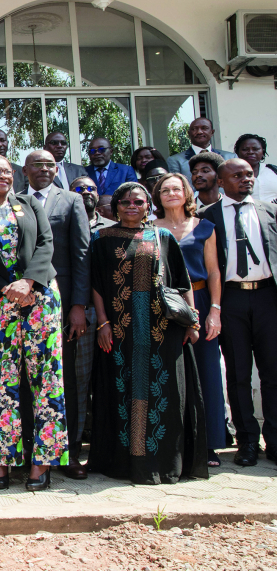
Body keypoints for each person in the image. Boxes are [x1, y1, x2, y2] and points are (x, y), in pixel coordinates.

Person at [0, 154, 67, 492]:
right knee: (3, 384)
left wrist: (29, 282)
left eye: (7, 171)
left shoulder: (29, 205)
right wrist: (4, 288)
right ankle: (3, 458)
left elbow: (47, 244)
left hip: (40, 299)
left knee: (46, 379)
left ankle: (41, 461)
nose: (3, 176)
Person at [89, 182, 208, 484]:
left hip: (163, 331)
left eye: (139, 201)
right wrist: (103, 323)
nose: (132, 206)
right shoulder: (102, 239)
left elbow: (182, 282)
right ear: (115, 206)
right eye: (126, 201)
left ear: (147, 206)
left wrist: (192, 322)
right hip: (120, 332)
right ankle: (126, 465)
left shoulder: (162, 236)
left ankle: (165, 463)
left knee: (165, 394)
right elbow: (98, 286)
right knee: (122, 392)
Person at [199, 158, 277, 466]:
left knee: (272, 374)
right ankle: (247, 442)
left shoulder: (270, 211)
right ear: (220, 181)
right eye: (238, 175)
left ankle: (275, 440)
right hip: (230, 301)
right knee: (238, 373)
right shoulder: (207, 217)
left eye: (249, 174)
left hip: (268, 297)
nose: (246, 179)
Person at [22, 150, 91, 479]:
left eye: (50, 164)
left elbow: (81, 254)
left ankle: (70, 453)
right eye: (38, 164)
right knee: (27, 382)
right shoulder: (14, 200)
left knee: (62, 381)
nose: (44, 169)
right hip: (20, 306)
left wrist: (78, 306)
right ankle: (31, 452)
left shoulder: (71, 201)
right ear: (26, 169)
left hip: (60, 307)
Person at [152, 173, 225, 466]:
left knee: (206, 373)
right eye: (165, 190)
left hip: (201, 300)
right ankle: (173, 443)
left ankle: (208, 444)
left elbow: (215, 272)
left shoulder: (204, 227)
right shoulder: (150, 228)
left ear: (186, 194)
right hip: (162, 305)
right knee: (169, 373)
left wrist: (215, 311)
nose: (171, 193)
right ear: (157, 196)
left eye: (176, 188)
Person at [69, 175, 114, 454]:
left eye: (91, 188)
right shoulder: (63, 223)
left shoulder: (111, 228)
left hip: (113, 314)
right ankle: (75, 444)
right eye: (79, 188)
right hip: (82, 311)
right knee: (79, 379)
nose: (86, 192)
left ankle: (106, 443)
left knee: (109, 379)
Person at [166, 118, 235, 181]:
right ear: (189, 134)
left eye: (204, 128)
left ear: (212, 132)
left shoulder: (230, 158)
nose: (199, 132)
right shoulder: (175, 161)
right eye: (194, 129)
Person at [234, 134, 277, 203]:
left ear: (263, 152)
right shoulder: (231, 174)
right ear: (237, 152)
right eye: (245, 149)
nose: (250, 152)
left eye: (255, 149)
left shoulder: (274, 171)